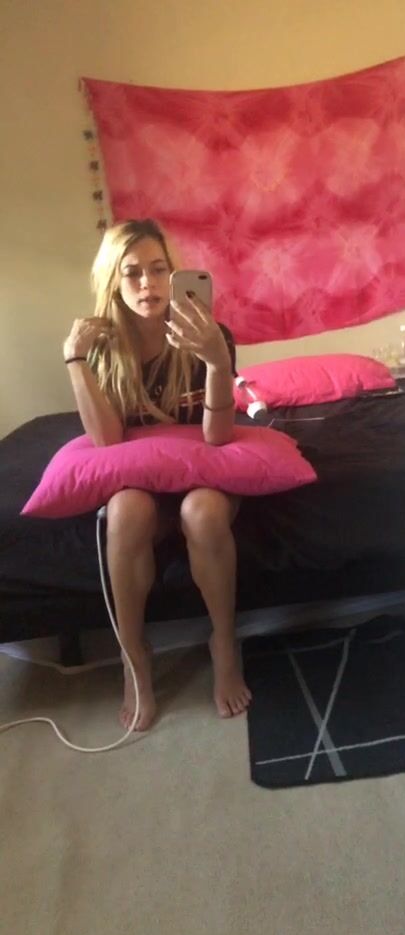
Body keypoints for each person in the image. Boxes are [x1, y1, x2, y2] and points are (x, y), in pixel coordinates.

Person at [63, 218, 252, 730]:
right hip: (142, 486)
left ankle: (224, 644)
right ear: (113, 281)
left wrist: (217, 363)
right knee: (124, 510)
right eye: (132, 273)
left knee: (202, 511)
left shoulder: (211, 335)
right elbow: (106, 441)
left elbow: (217, 437)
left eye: (158, 269)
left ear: (174, 273)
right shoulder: (105, 348)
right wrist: (75, 360)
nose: (147, 283)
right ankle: (135, 658)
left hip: (202, 479)